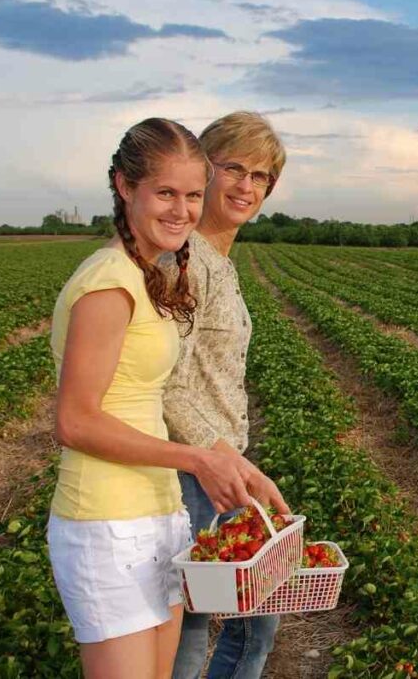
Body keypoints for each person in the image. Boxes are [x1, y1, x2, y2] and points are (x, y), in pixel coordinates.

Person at [47, 118, 281, 678]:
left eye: (191, 195)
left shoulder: (150, 271)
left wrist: (233, 464)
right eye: (166, 193)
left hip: (157, 508)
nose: (181, 210)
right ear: (125, 186)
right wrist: (205, 458)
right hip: (108, 516)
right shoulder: (112, 281)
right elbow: (76, 421)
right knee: (197, 644)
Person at [164, 111, 288, 679]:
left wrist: (235, 462)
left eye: (260, 176)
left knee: (254, 616)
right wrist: (221, 458)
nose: (246, 185)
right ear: (203, 171)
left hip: (223, 465)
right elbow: (168, 385)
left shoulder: (219, 262)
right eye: (233, 168)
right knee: (194, 624)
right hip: (195, 471)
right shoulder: (185, 262)